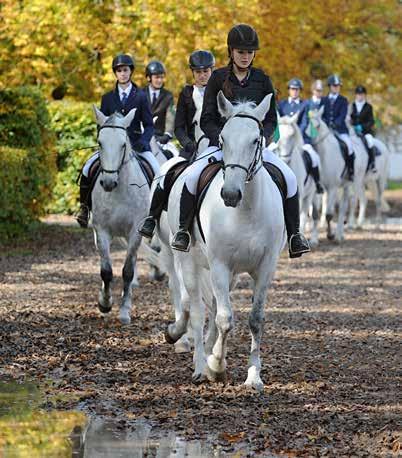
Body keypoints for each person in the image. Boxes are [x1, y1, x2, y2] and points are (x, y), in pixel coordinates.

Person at [169, 24, 310, 258]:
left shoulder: (263, 80)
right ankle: (183, 231)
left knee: (290, 178)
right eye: (240, 52)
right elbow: (207, 118)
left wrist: (262, 139)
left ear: (254, 54)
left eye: (249, 52)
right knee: (193, 175)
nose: (245, 57)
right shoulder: (217, 78)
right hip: (221, 145)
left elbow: (271, 120)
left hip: (254, 147)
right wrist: (222, 139)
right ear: (231, 52)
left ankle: (295, 235)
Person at [138, 50, 215, 239]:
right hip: (192, 149)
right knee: (166, 171)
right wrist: (188, 143)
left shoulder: (222, 93)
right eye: (198, 72)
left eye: (206, 71)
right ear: (193, 73)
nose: (202, 75)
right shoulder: (186, 93)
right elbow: (179, 126)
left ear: (212, 71)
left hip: (216, 147)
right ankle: (153, 219)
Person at [76, 54, 158, 228]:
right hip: (111, 149)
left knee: (157, 172)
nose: (122, 73)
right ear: (115, 73)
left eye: (125, 70)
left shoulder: (141, 96)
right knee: (87, 168)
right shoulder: (107, 98)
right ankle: (84, 208)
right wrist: (104, 143)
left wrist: (143, 142)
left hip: (136, 145)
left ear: (130, 72)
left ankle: (155, 215)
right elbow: (102, 125)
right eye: (119, 70)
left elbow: (149, 125)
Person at [278, 78, 324, 193]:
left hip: (300, 138)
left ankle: (317, 183)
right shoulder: (281, 104)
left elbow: (305, 122)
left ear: (300, 91)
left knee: (314, 157)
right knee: (267, 153)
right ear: (289, 90)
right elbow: (278, 121)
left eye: (297, 89)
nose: (295, 91)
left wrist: (297, 132)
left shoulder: (305, 104)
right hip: (283, 139)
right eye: (292, 89)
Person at [322, 74, 354, 181]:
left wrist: (335, 124)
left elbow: (342, 115)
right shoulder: (324, 100)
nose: (336, 87)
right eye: (334, 85)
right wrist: (326, 124)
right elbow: (321, 115)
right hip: (326, 131)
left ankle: (350, 171)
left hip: (340, 130)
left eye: (338, 86)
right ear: (330, 87)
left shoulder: (343, 100)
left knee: (349, 147)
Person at [145, 60, 175, 144]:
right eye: (157, 77)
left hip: (161, 138)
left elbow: (170, 117)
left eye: (162, 77)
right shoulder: (140, 94)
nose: (160, 80)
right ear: (148, 78)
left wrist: (167, 134)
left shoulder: (168, 96)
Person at [349, 85, 377, 172]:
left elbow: (371, 121)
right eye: (358, 94)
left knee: (370, 142)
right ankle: (350, 166)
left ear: (364, 95)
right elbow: (349, 119)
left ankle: (372, 163)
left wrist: (362, 127)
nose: (360, 96)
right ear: (356, 95)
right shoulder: (351, 106)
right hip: (353, 131)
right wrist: (352, 126)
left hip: (365, 132)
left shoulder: (368, 107)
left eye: (362, 94)